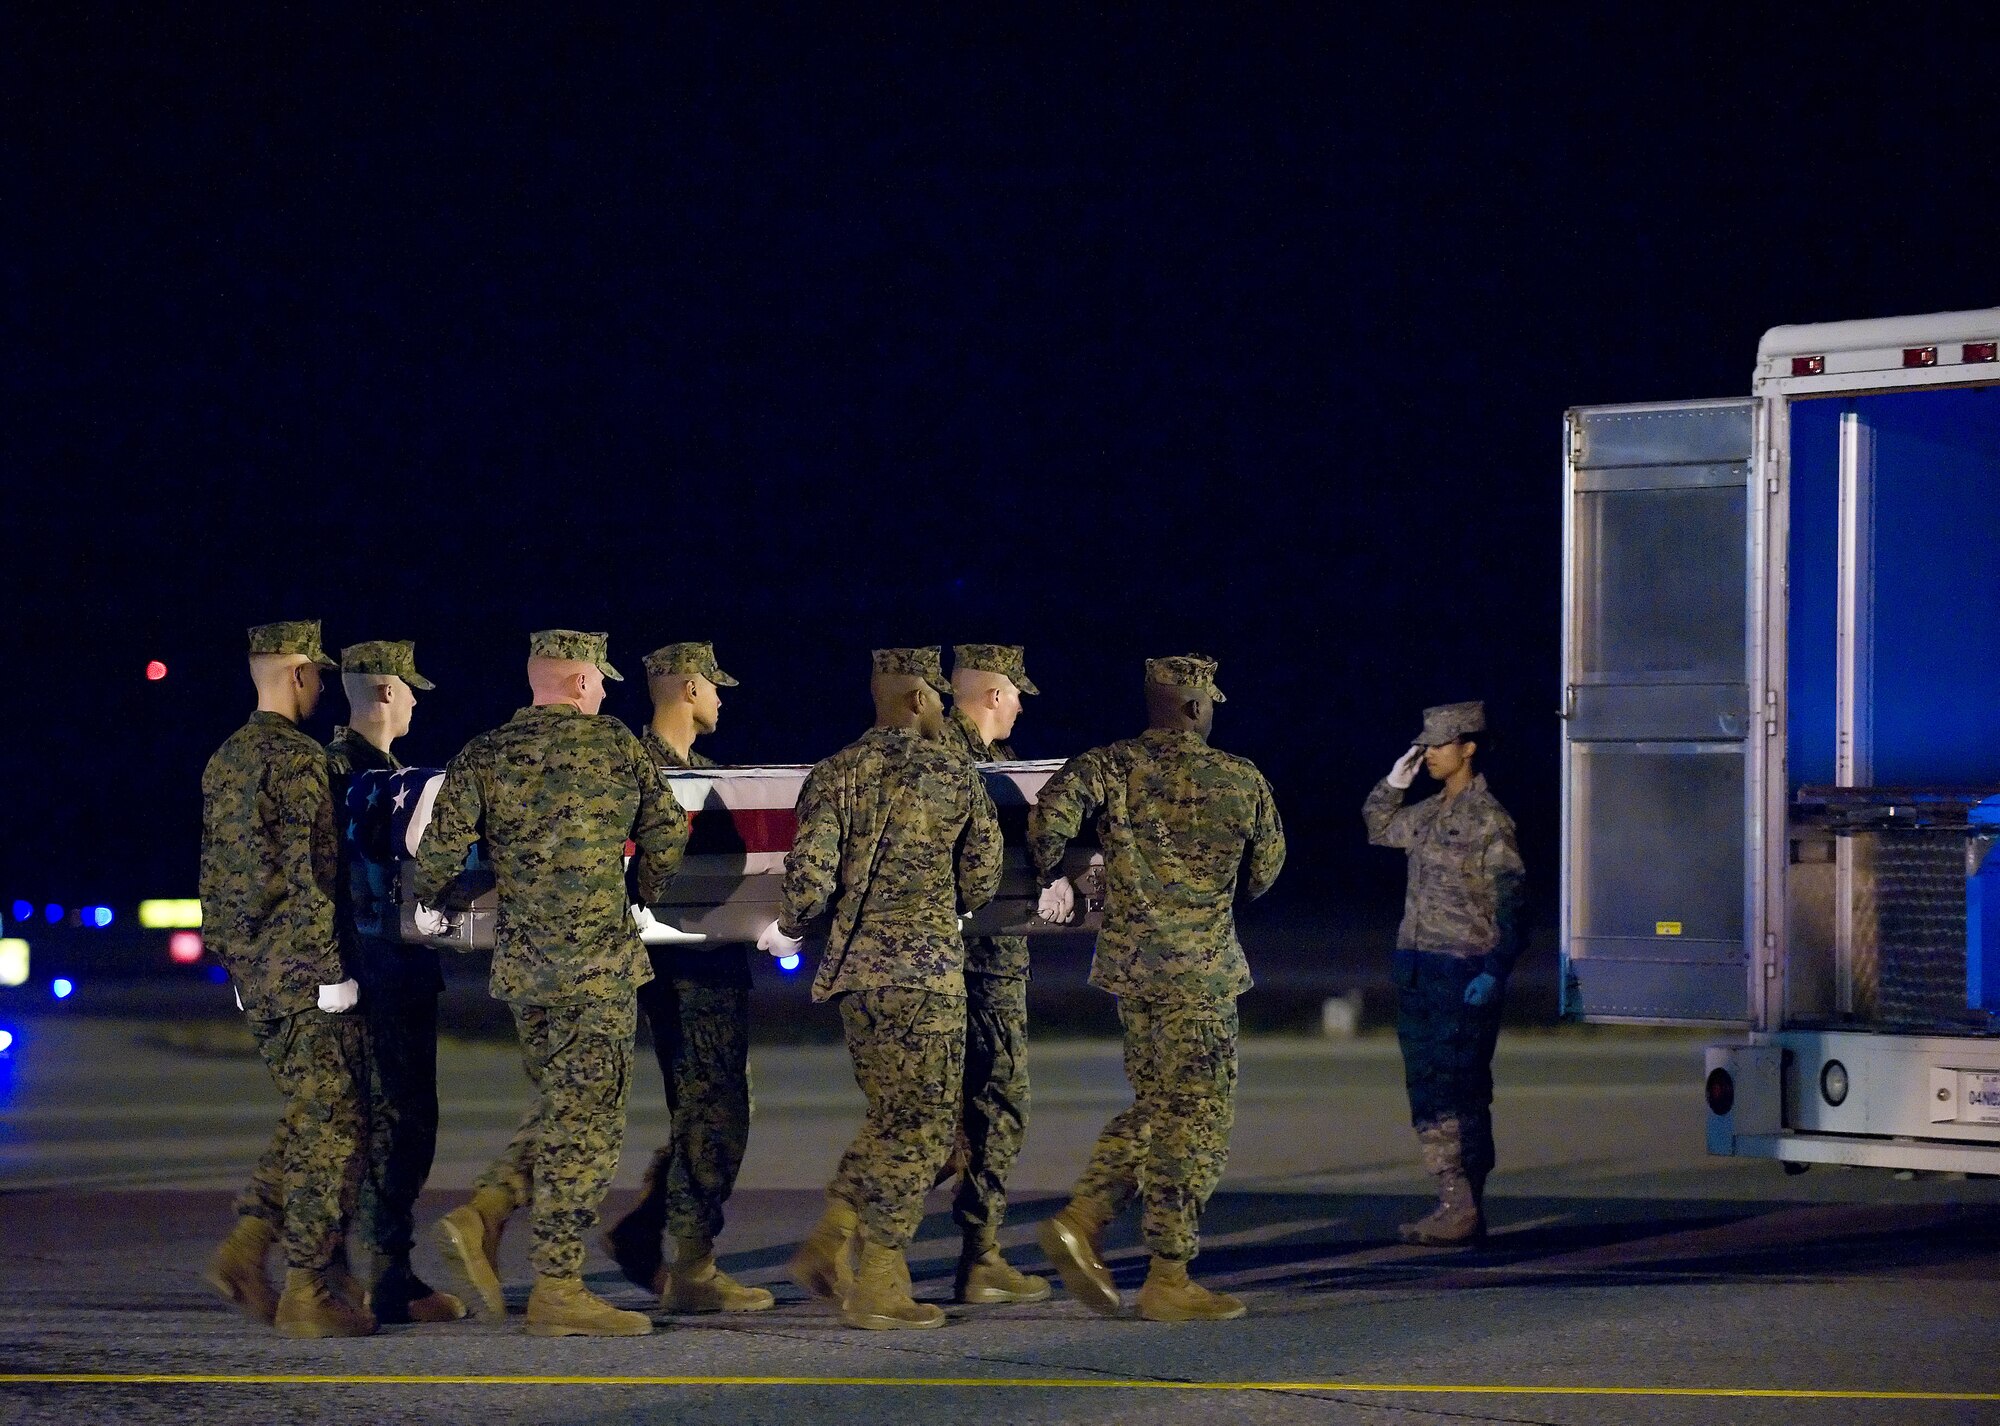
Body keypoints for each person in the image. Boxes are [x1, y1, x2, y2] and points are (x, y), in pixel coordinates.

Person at [417, 630, 687, 1337]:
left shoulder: (484, 752)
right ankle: (557, 1286)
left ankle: (484, 1214)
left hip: (525, 971)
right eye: (599, 681)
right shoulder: (615, 745)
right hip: (597, 968)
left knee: (561, 1106)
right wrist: (641, 893)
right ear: (579, 682)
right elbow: (666, 831)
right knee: (587, 1126)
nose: (602, 692)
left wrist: (436, 900)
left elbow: (438, 851)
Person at [1029, 655, 1285, 1322]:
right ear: (1196, 707)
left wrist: (1053, 874)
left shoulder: (1108, 765)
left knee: (1160, 1105)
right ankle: (1166, 1273)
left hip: (1135, 969)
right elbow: (1264, 872)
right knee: (1196, 1121)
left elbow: (1049, 816)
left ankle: (1086, 1220)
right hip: (1201, 973)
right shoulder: (1241, 778)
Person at [760, 647, 1004, 1330]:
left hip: (859, 978)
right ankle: (880, 1278)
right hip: (926, 976)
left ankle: (831, 1243)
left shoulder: (835, 772)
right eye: (937, 698)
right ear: (919, 699)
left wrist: (790, 927)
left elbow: (810, 877)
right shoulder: (952, 773)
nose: (942, 710)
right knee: (922, 1129)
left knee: (892, 1117)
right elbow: (982, 877)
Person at [199, 620, 374, 1338]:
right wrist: (332, 972)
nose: (322, 688)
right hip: (305, 971)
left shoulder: (226, 760)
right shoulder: (298, 760)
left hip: (258, 970)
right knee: (335, 1122)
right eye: (318, 675)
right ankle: (309, 1287)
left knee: (310, 1109)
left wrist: (237, 964)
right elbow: (311, 877)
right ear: (298, 674)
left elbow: (218, 876)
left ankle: (246, 1250)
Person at [601, 642, 773, 1314]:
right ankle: (693, 1266)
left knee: (712, 1110)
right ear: (689, 690)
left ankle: (650, 1237)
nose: (721, 698)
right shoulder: (639, 772)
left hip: (713, 958)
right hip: (683, 966)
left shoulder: (702, 774)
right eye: (713, 686)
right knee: (714, 1111)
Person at [324, 639, 465, 1324]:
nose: (415, 703)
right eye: (409, 690)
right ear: (385, 692)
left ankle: (383, 1271)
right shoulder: (336, 775)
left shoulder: (388, 775)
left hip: (393, 968)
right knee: (383, 1123)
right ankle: (362, 1274)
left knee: (400, 1124)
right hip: (368, 970)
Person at [1364, 700, 1526, 1246]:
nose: (1428, 753)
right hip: (1418, 969)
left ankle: (1466, 1205)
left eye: (1438, 744)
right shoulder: (1430, 812)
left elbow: (1512, 903)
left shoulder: (1489, 820)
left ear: (1468, 747)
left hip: (1462, 969)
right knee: (1428, 1089)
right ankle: (1453, 1202)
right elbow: (1379, 827)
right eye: (1425, 745)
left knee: (1461, 1089)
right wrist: (1394, 783)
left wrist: (1495, 969)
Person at [933, 643, 1048, 1305]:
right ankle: (975, 1256)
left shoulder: (993, 761)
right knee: (990, 1107)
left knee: (960, 1118)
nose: (1021, 706)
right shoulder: (952, 761)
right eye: (1016, 693)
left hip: (966, 959)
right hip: (977, 961)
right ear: (992, 695)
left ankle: (980, 1253)